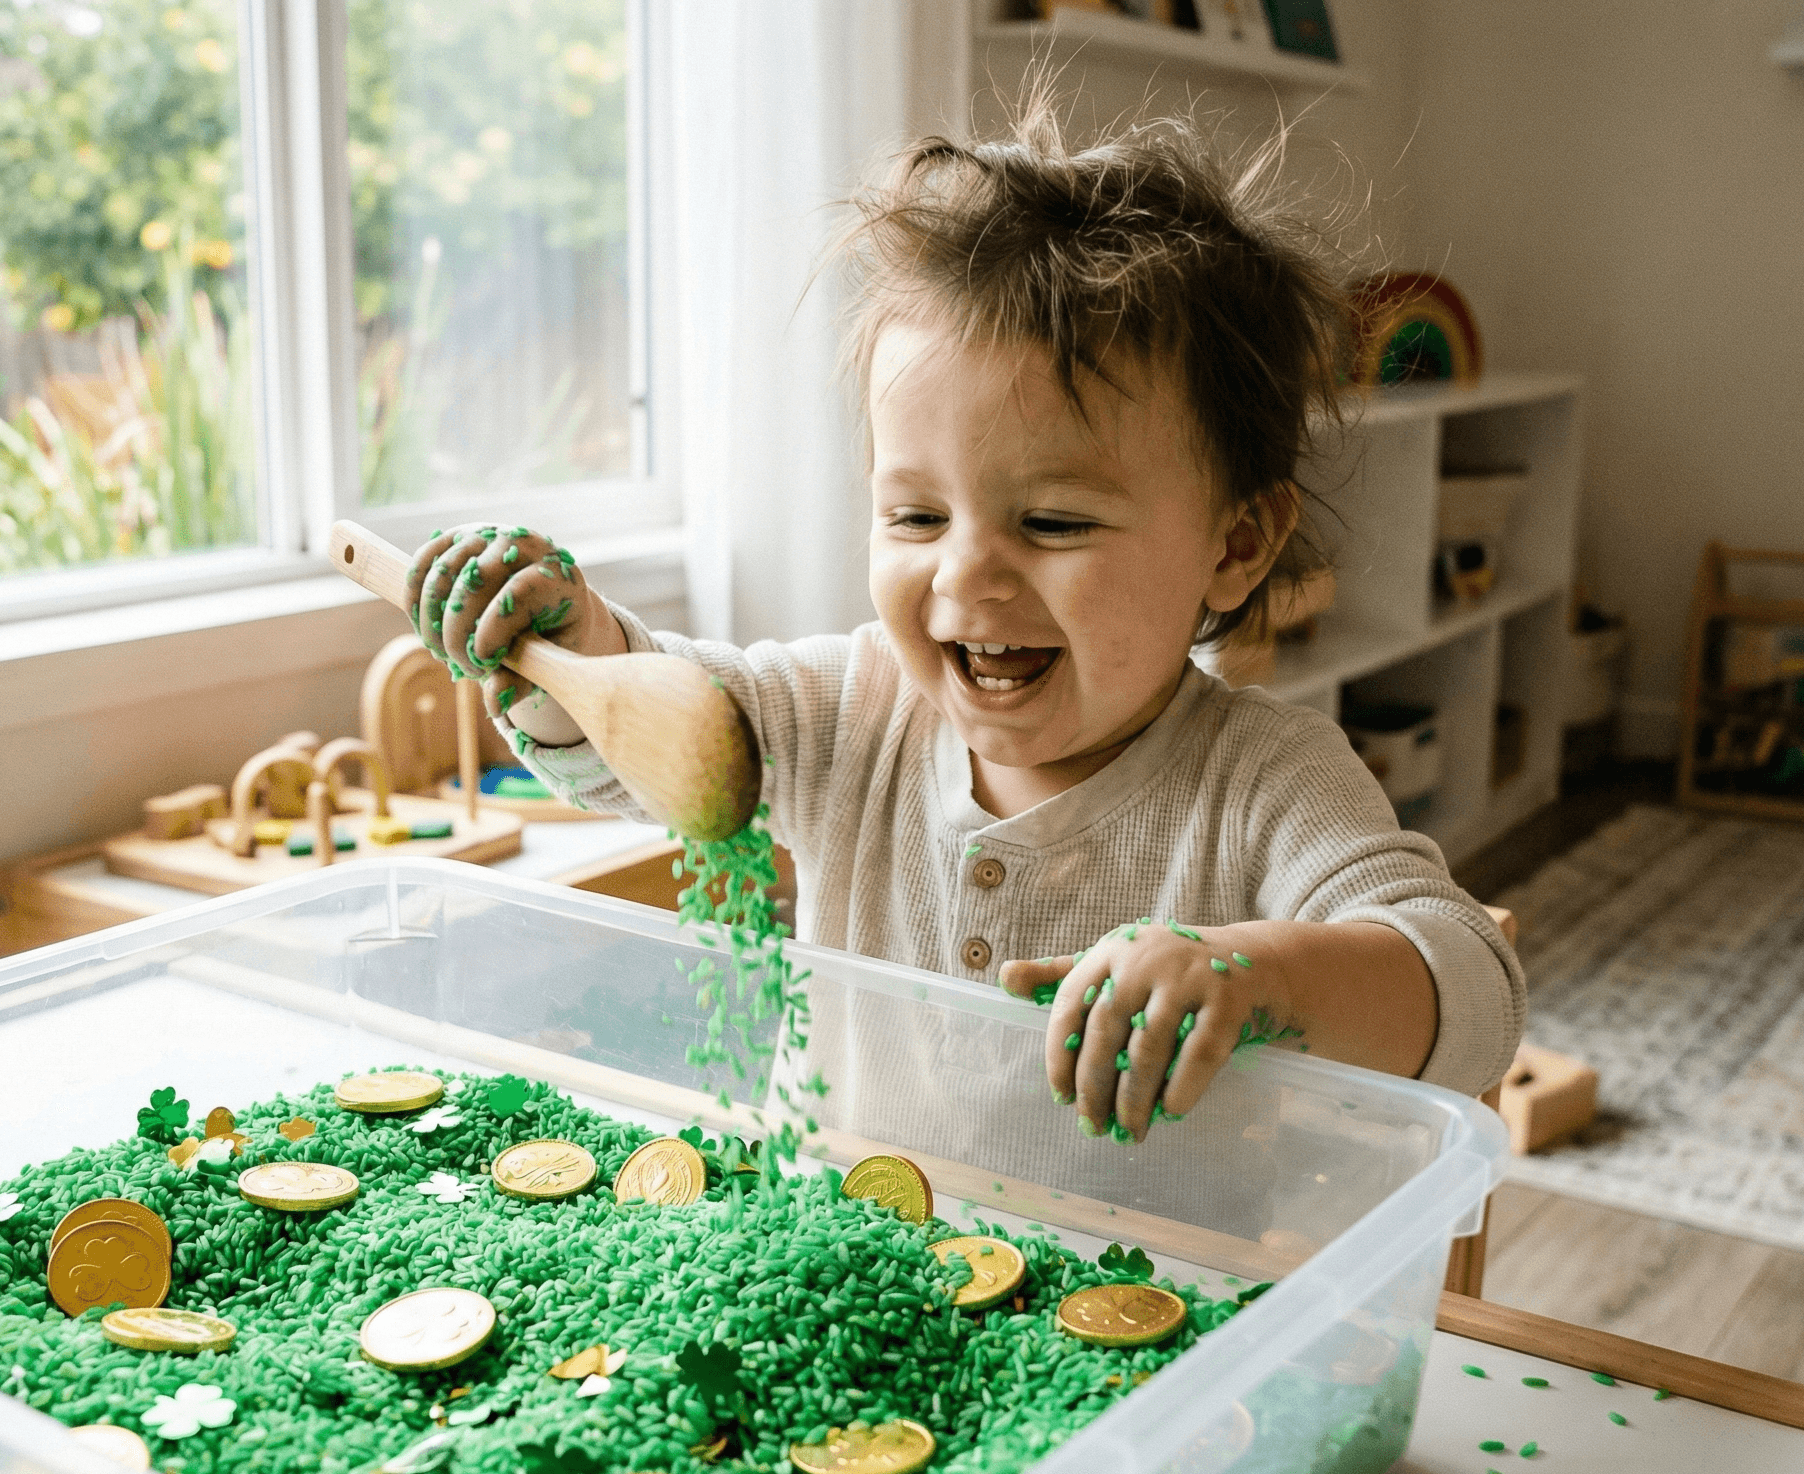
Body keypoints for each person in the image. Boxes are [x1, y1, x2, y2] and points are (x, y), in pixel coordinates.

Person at [400, 107, 1522, 1143]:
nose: (966, 574)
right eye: (916, 515)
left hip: (1151, 1283)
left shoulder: (1266, 784)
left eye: (1053, 521)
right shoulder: (853, 709)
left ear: (1234, 546)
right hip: (837, 1258)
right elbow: (662, 729)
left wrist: (1260, 976)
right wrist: (574, 652)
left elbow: (1473, 989)